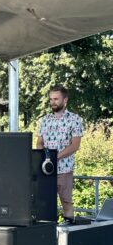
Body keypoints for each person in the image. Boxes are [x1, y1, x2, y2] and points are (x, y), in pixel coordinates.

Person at [37, 84, 83, 223]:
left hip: (64, 169)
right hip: (45, 170)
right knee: (43, 203)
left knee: (66, 202)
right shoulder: (45, 120)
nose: (53, 102)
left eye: (56, 99)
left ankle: (68, 234)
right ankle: (45, 233)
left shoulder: (75, 119)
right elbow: (39, 142)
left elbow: (75, 145)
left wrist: (55, 158)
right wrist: (42, 159)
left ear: (65, 100)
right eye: (51, 99)